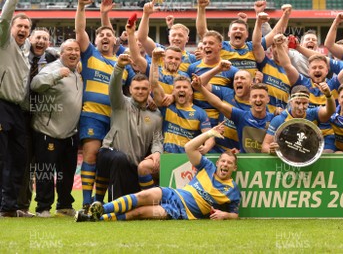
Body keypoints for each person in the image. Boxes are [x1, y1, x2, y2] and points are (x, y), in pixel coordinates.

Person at [75, 125, 240, 221]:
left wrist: (224, 214)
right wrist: (210, 133)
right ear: (218, 162)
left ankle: (93, 218)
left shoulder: (232, 190)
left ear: (234, 168)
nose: (225, 165)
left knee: (139, 213)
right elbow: (189, 147)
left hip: (180, 212)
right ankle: (102, 209)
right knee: (143, 197)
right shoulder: (207, 166)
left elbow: (235, 214)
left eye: (230, 163)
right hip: (174, 194)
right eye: (223, 161)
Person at [76, 0, 129, 209]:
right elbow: (80, 31)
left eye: (110, 35)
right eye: (102, 35)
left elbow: (138, 86)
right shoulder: (90, 55)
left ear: (116, 41)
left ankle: (99, 202)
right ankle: (87, 202)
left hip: (115, 120)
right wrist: (81, 6)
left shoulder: (123, 62)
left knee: (105, 160)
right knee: (91, 155)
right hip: (92, 115)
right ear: (95, 41)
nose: (106, 37)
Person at [94, 54, 163, 202]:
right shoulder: (120, 104)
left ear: (149, 89)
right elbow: (113, 86)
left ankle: (100, 202)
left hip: (133, 165)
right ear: (130, 89)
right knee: (119, 159)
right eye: (136, 88)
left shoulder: (156, 114)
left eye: (144, 89)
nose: (140, 91)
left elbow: (158, 139)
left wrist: (157, 153)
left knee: (132, 198)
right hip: (109, 154)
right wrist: (119, 67)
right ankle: (109, 206)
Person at [30, 39, 83, 217]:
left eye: (76, 50)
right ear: (61, 53)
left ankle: (64, 205)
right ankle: (43, 208)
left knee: (67, 173)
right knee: (45, 173)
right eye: (69, 49)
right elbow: (35, 85)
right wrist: (56, 75)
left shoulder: (78, 72)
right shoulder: (52, 68)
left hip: (70, 134)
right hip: (48, 132)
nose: (73, 53)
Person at [0, 0, 34, 218]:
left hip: (17, 111)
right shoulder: (4, 42)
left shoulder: (26, 51)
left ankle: (9, 207)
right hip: (0, 105)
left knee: (20, 158)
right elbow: (4, 18)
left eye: (26, 28)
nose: (22, 30)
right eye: (19, 26)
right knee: (1, 158)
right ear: (11, 29)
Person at [18, 27, 59, 215]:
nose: (41, 41)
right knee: (23, 162)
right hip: (22, 113)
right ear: (30, 39)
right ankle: (22, 205)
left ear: (49, 43)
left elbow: (68, 52)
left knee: (41, 163)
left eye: (45, 38)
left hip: (43, 116)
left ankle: (43, 206)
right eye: (38, 37)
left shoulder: (52, 59)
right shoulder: (20, 56)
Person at [150, 48, 211, 154]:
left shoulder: (200, 112)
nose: (173, 61)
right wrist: (154, 60)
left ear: (191, 91)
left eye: (177, 58)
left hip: (188, 157)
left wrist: (206, 148)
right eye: (170, 57)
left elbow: (210, 135)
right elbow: (154, 83)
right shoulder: (166, 107)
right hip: (165, 153)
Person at [195, 81, 274, 153]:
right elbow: (219, 104)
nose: (258, 99)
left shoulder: (274, 119)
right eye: (254, 96)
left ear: (268, 99)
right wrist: (201, 88)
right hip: (246, 164)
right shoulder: (241, 116)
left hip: (267, 165)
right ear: (250, 100)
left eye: (261, 96)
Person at [261, 85, 336, 154]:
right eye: (297, 102)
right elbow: (265, 146)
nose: (300, 107)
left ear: (308, 102)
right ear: (290, 102)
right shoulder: (279, 120)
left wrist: (328, 95)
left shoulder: (313, 114)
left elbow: (330, 111)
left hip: (308, 157)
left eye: (304, 103)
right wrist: (270, 150)